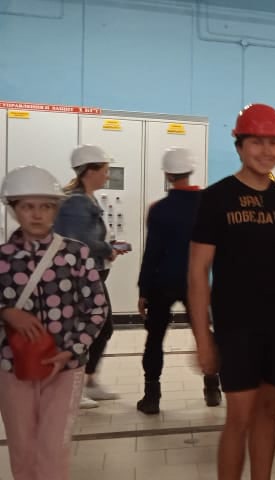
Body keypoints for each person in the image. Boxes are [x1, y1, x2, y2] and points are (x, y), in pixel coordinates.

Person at [188, 103, 275, 480]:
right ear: (239, 146)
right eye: (257, 142)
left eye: (274, 142)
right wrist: (203, 338)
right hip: (236, 326)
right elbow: (198, 271)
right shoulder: (216, 198)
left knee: (270, 412)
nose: (267, 151)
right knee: (239, 417)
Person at [0, 166, 109, 480]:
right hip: (12, 366)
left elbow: (97, 308)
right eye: (27, 206)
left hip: (65, 367)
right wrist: (7, 312)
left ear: (56, 209)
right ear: (14, 209)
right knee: (22, 447)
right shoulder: (3, 258)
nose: (37, 214)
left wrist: (73, 350)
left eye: (46, 206)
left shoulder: (76, 254)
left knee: (53, 448)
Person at [136, 147, 221, 415]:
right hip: (196, 282)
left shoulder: (159, 210)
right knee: (202, 333)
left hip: (162, 282)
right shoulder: (207, 204)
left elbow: (152, 253)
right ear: (190, 170)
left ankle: (152, 397)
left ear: (168, 175)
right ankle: (212, 388)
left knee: (155, 339)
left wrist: (143, 290)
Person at [54, 144, 126, 409]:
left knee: (100, 327)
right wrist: (108, 249)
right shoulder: (76, 202)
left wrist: (109, 246)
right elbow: (80, 241)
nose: (107, 175)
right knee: (91, 329)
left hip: (91, 273)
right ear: (89, 171)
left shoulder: (84, 198)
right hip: (80, 277)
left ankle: (89, 380)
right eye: (105, 170)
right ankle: (77, 385)